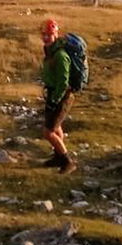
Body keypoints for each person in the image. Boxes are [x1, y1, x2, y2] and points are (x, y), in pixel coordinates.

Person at [40, 18, 87, 173]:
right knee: (56, 126)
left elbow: (63, 81)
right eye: (44, 34)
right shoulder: (50, 51)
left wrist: (54, 100)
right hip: (54, 93)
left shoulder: (60, 55)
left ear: (55, 34)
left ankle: (67, 161)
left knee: (48, 132)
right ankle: (57, 157)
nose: (46, 37)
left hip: (62, 95)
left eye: (49, 34)